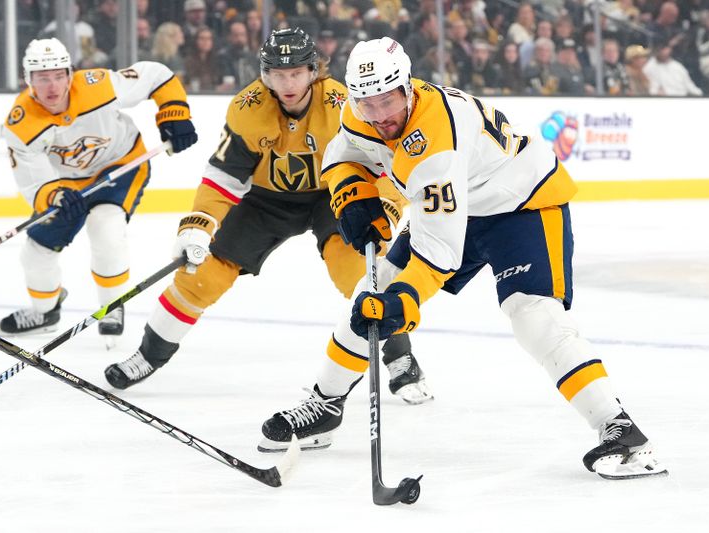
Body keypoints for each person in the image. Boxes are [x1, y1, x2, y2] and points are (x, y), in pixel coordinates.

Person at [258, 37, 668, 480]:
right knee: (369, 290)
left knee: (532, 315)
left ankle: (621, 430)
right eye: (367, 103)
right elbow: (343, 153)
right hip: (461, 204)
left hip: (522, 204)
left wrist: (402, 304)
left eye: (387, 101)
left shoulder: (437, 142)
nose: (379, 116)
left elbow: (438, 252)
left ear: (407, 87)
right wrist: (352, 196)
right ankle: (326, 402)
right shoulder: (357, 112)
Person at [103, 28, 432, 406]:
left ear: (314, 71)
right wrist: (198, 224)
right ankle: (149, 354)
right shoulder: (248, 109)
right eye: (277, 73)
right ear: (265, 74)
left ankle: (401, 358)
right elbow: (224, 177)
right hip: (265, 201)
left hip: (332, 194)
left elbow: (383, 165)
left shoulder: (344, 105)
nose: (287, 82)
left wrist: (386, 205)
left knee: (361, 272)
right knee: (202, 275)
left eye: (295, 73)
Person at [0, 38, 197, 344]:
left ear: (70, 73)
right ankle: (45, 311)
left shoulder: (99, 85)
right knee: (35, 252)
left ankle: (112, 305)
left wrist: (174, 114)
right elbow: (32, 179)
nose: (51, 87)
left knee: (106, 226)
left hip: (120, 165)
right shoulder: (20, 124)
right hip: (67, 184)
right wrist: (54, 196)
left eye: (57, 76)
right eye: (41, 78)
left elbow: (156, 75)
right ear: (28, 80)